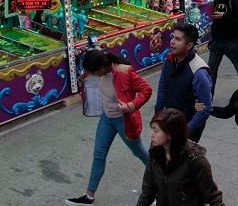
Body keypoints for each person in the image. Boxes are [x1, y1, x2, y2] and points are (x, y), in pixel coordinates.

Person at [66, 51, 152, 206]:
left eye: (93, 71)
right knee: (99, 155)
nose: (91, 74)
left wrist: (130, 106)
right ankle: (89, 195)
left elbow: (146, 90)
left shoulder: (124, 71)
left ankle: (163, 183)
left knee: (140, 153)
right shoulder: (99, 72)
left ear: (101, 67)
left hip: (124, 120)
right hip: (107, 118)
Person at [136, 108, 225, 206]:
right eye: (152, 129)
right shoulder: (155, 153)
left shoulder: (196, 159)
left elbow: (213, 197)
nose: (151, 135)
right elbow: (148, 191)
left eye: (156, 131)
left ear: (170, 134)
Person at [156, 24, 212, 142]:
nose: (172, 42)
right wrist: (158, 118)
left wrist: (185, 131)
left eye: (178, 39)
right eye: (172, 37)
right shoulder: (169, 60)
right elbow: (162, 90)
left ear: (189, 45)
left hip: (188, 127)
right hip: (169, 121)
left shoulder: (199, 72)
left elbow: (205, 109)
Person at [208, 0, 238, 97]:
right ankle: (208, 98)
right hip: (217, 41)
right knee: (210, 71)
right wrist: (212, 38)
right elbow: (216, 22)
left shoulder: (234, 0)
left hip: (232, 41)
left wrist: (223, 17)